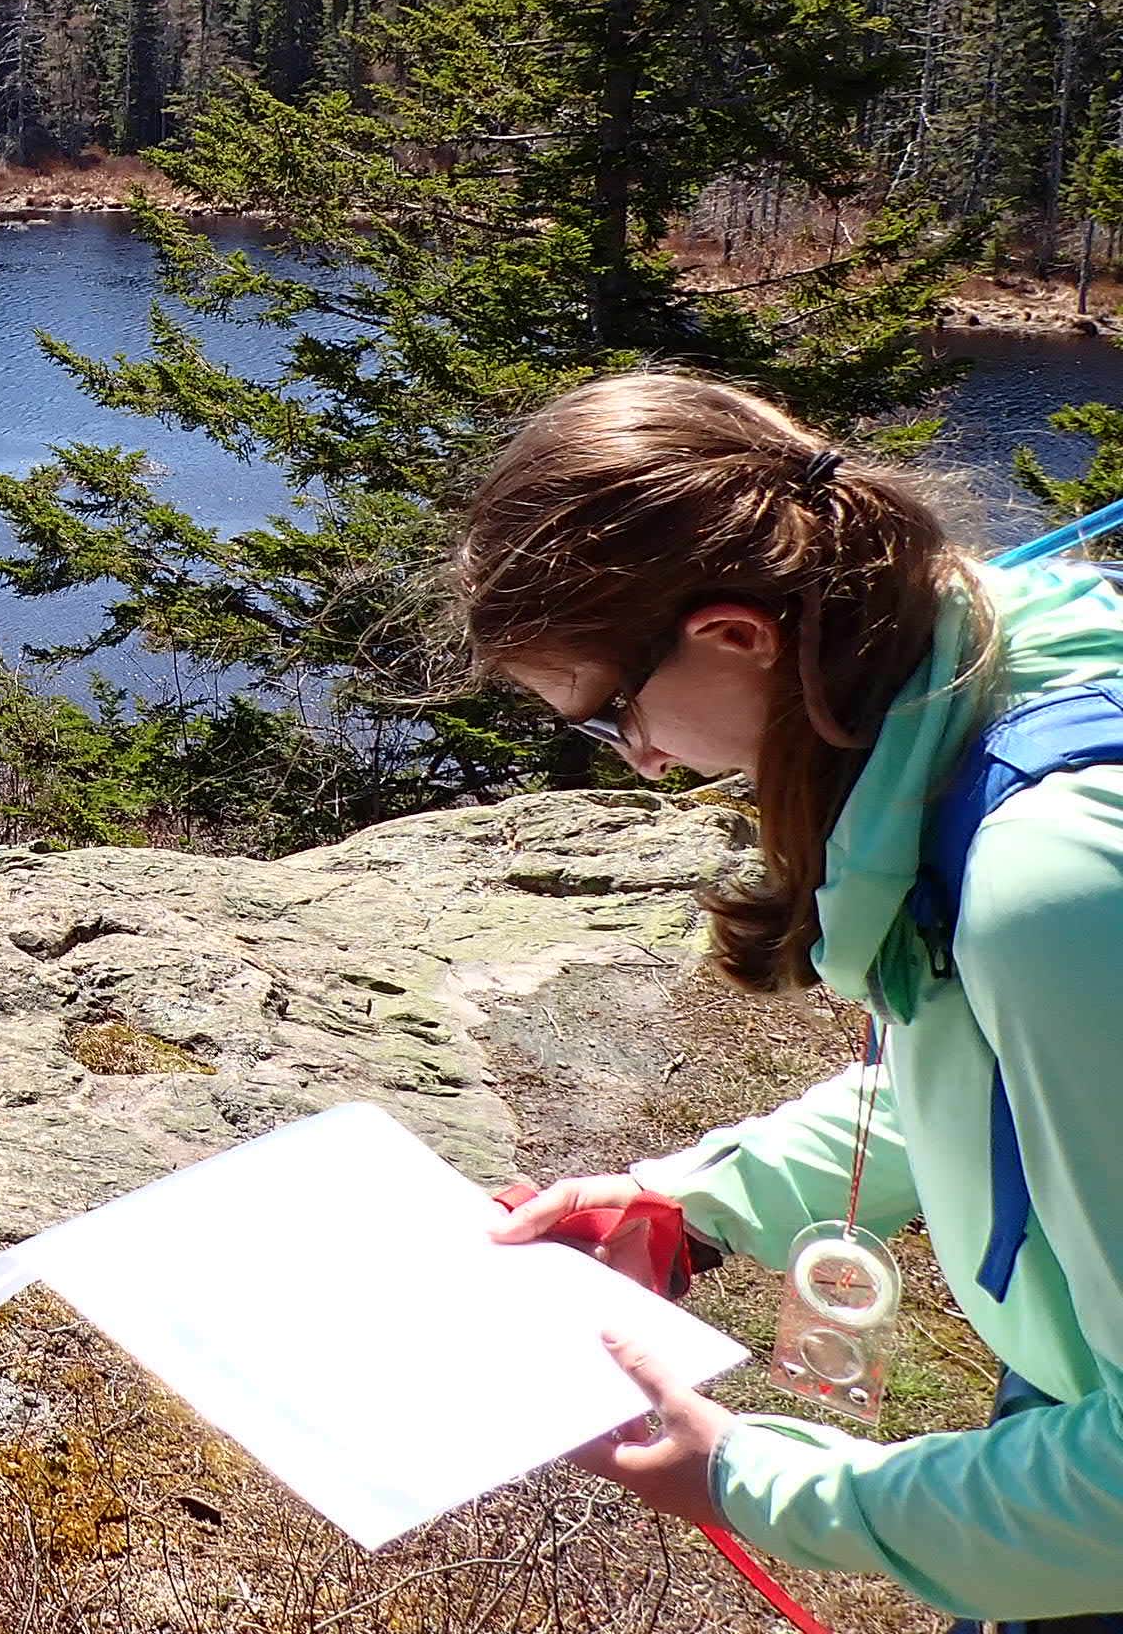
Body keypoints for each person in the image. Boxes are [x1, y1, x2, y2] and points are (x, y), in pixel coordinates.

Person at [459, 370, 1123, 1633]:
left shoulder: (1059, 878)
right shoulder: (994, 663)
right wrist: (693, 1202)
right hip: (1067, 1391)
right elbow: (987, 1076)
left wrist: (754, 1480)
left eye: (608, 715)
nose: (643, 761)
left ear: (733, 634)